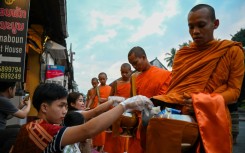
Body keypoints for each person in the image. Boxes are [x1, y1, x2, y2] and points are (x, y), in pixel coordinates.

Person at [150, 4, 244, 153]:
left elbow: (234, 92)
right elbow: (176, 90)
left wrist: (201, 102)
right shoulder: (182, 54)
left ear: (215, 24)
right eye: (191, 27)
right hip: (179, 118)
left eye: (201, 25)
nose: (195, 32)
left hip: (213, 118)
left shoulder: (232, 51)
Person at [11, 83, 153, 153]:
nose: (64, 111)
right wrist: (124, 105)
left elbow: (94, 113)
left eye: (66, 107)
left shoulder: (30, 126)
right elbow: (88, 130)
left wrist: (113, 102)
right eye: (61, 106)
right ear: (44, 107)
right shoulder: (45, 130)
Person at [127, 47, 172, 153]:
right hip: (137, 125)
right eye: (132, 64)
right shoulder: (135, 79)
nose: (134, 67)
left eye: (135, 63)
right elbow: (132, 100)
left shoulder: (165, 75)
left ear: (143, 57)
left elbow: (165, 100)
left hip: (156, 124)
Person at [103, 63, 132, 153]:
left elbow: (134, 97)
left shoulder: (134, 82)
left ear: (130, 71)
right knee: (113, 135)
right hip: (115, 109)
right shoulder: (116, 83)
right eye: (122, 72)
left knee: (123, 134)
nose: (124, 74)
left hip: (127, 111)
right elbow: (110, 97)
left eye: (126, 72)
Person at [0, 81, 31, 153]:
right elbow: (23, 115)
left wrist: (20, 106)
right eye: (15, 88)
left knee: (21, 127)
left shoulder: (2, 99)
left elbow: (7, 117)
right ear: (10, 89)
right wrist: (29, 104)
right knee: (18, 132)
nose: (15, 90)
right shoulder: (3, 100)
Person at [93, 72, 112, 152]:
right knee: (99, 128)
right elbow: (92, 97)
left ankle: (104, 145)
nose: (102, 80)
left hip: (108, 108)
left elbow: (112, 98)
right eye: (100, 79)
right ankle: (98, 145)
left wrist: (106, 100)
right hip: (100, 109)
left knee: (107, 128)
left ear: (106, 79)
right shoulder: (97, 88)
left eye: (103, 79)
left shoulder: (110, 88)